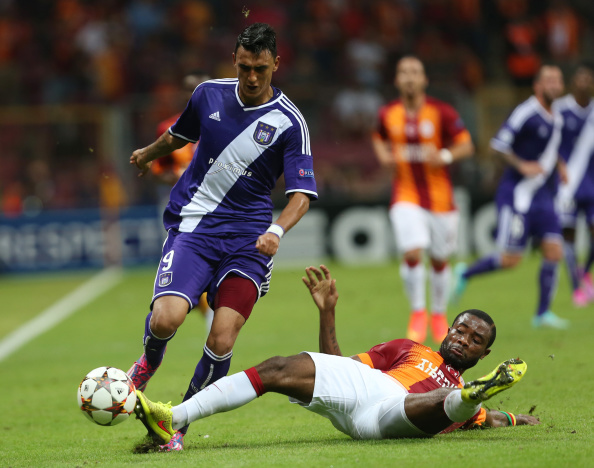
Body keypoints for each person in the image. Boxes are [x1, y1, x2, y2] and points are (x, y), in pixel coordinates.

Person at [128, 23, 318, 451]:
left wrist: (277, 228)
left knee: (222, 336)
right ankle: (146, 364)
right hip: (194, 228)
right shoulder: (208, 93)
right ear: (235, 59)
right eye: (246, 67)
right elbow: (181, 134)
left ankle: (176, 425)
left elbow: (302, 193)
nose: (252, 78)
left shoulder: (289, 122)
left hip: (249, 242)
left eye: (262, 69)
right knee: (166, 319)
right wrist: (147, 154)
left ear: (276, 64)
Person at [133, 265, 539, 444]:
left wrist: (518, 418)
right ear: (448, 330)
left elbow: (494, 420)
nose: (463, 339)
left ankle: (472, 396)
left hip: (395, 416)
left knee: (452, 406)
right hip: (369, 387)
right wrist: (327, 314)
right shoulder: (407, 348)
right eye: (461, 329)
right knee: (276, 367)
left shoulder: (459, 382)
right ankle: (174, 418)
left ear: (484, 354)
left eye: (474, 339)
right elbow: (340, 367)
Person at [451, 65, 568, 329]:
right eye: (548, 80)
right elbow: (499, 144)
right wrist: (522, 165)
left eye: (558, 80)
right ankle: (465, 272)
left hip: (543, 196)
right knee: (511, 260)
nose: (554, 84)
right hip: (518, 195)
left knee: (553, 250)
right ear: (537, 86)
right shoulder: (526, 112)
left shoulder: (556, 116)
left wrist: (561, 166)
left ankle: (542, 314)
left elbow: (550, 147)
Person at [371, 56, 475, 344]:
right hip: (405, 195)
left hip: (441, 200)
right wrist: (382, 155)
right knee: (413, 252)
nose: (409, 77)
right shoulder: (388, 113)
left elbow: (466, 145)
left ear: (424, 80)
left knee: (440, 260)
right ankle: (418, 312)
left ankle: (439, 314)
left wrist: (443, 156)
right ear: (396, 80)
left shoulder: (442, 112)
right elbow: (378, 136)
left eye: (415, 72)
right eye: (403, 72)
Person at [151, 70, 215, 334]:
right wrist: (180, 174)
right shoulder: (170, 128)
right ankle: (203, 311)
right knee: (185, 260)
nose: (195, 94)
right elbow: (158, 169)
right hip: (180, 207)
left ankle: (211, 310)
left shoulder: (226, 124)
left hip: (217, 206)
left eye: (199, 88)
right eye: (190, 89)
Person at [554, 63, 594, 307]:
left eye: (588, 79)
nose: (584, 83)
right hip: (566, 186)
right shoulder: (560, 110)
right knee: (568, 237)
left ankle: (585, 271)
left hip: (592, 185)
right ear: (572, 82)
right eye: (580, 78)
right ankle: (576, 288)